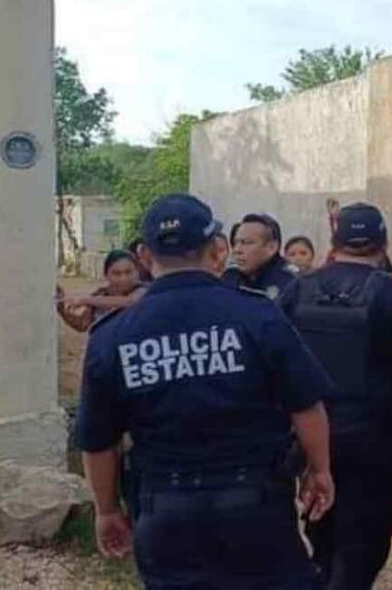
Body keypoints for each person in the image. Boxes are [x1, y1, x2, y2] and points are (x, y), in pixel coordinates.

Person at [73, 193, 335, 588]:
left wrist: (107, 510)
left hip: (166, 511)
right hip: (255, 507)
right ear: (217, 248)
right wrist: (320, 470)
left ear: (144, 255)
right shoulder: (257, 313)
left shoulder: (113, 336)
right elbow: (306, 406)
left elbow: (97, 442)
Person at [279, 202, 392, 589]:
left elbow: (273, 355)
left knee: (322, 533)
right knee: (364, 542)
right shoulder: (391, 293)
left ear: (334, 241)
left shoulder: (299, 288)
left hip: (309, 437)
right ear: (383, 242)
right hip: (371, 439)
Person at [56, 250, 145, 333]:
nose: (123, 278)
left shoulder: (144, 290)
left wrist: (85, 300)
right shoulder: (101, 294)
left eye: (128, 272)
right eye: (117, 273)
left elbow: (129, 301)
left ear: (137, 271)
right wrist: (61, 309)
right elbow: (82, 324)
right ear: (106, 275)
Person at [223, 213, 299, 301]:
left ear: (271, 248)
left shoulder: (291, 283)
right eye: (236, 243)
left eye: (247, 242)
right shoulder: (230, 276)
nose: (237, 250)